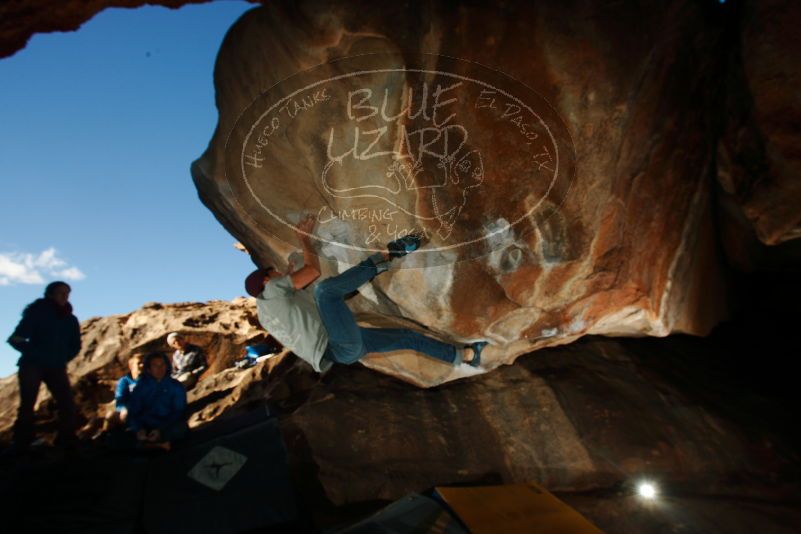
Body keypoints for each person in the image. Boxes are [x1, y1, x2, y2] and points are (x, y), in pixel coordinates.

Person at [244, 215, 489, 374]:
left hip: (343, 353)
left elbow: (303, 310)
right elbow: (312, 273)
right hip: (338, 343)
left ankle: (466, 355)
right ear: (266, 280)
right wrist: (305, 241)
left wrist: (289, 274)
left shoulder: (268, 314)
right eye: (274, 272)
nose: (280, 273)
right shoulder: (272, 291)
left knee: (406, 337)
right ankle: (388, 254)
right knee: (325, 291)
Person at [6, 281, 81, 451]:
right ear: (50, 295)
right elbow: (15, 339)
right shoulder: (37, 313)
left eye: (67, 293)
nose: (65, 296)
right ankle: (22, 443)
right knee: (28, 403)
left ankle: (66, 439)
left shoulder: (70, 319)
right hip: (32, 365)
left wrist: (63, 357)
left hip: (56, 366)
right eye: (61, 292)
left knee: (67, 402)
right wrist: (35, 352)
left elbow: (75, 345)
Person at [125, 352, 187, 451]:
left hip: (168, 425)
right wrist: (139, 429)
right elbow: (133, 412)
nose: (160, 368)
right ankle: (155, 445)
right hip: (147, 426)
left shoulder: (176, 386)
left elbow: (179, 411)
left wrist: (160, 429)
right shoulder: (140, 388)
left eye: (162, 365)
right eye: (155, 366)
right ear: (148, 369)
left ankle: (151, 445)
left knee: (179, 429)